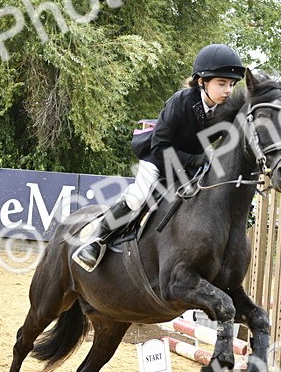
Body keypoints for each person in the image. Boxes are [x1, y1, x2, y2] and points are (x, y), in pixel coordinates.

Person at [72, 43, 245, 272]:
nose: (228, 90)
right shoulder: (180, 102)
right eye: (221, 83)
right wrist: (195, 160)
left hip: (191, 164)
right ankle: (96, 239)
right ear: (202, 81)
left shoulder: (226, 110)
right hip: (158, 157)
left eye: (231, 84)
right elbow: (159, 146)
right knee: (138, 197)